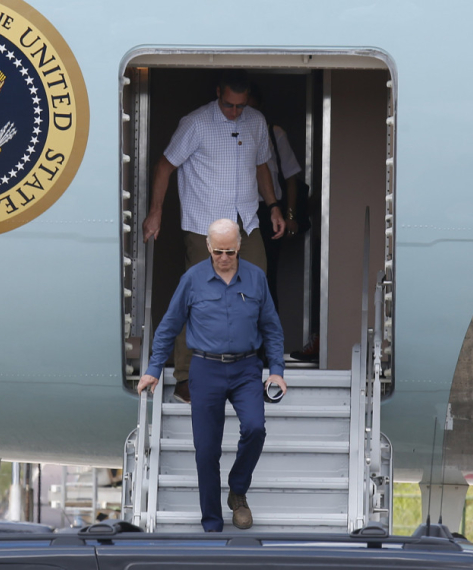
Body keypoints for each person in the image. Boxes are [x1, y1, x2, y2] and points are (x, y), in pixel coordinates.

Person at [143, 70, 286, 403]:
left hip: (246, 223)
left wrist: (274, 206)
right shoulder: (196, 123)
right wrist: (156, 212)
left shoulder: (256, 121)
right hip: (204, 226)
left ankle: (251, 371)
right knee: (198, 299)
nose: (234, 111)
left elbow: (262, 165)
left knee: (256, 294)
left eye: (240, 105)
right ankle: (184, 379)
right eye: (228, 104)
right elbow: (164, 165)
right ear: (218, 92)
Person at [137, 219, 286, 532]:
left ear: (239, 247)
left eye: (230, 251)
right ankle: (212, 523)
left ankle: (237, 489)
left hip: (246, 368)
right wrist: (153, 369)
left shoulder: (256, 278)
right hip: (205, 369)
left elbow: (271, 327)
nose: (224, 258)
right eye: (218, 251)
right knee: (206, 449)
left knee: (256, 429)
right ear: (208, 247)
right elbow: (168, 325)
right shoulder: (193, 279)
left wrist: (276, 371)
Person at [248, 84, 302, 310]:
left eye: (250, 108)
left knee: (267, 277)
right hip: (238, 210)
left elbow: (290, 177)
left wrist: (289, 214)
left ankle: (268, 344)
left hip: (269, 211)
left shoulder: (273, 133)